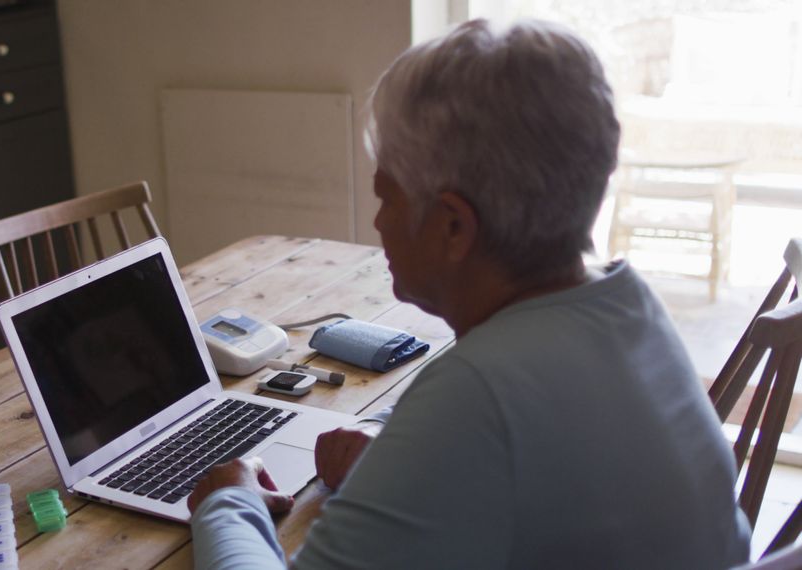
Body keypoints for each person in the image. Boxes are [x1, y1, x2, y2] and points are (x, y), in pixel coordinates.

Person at [187, 18, 751, 569]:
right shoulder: (628, 306)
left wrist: (227, 502)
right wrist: (392, 445)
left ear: (453, 227)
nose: (379, 223)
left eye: (388, 196)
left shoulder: (473, 397)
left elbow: (478, 414)